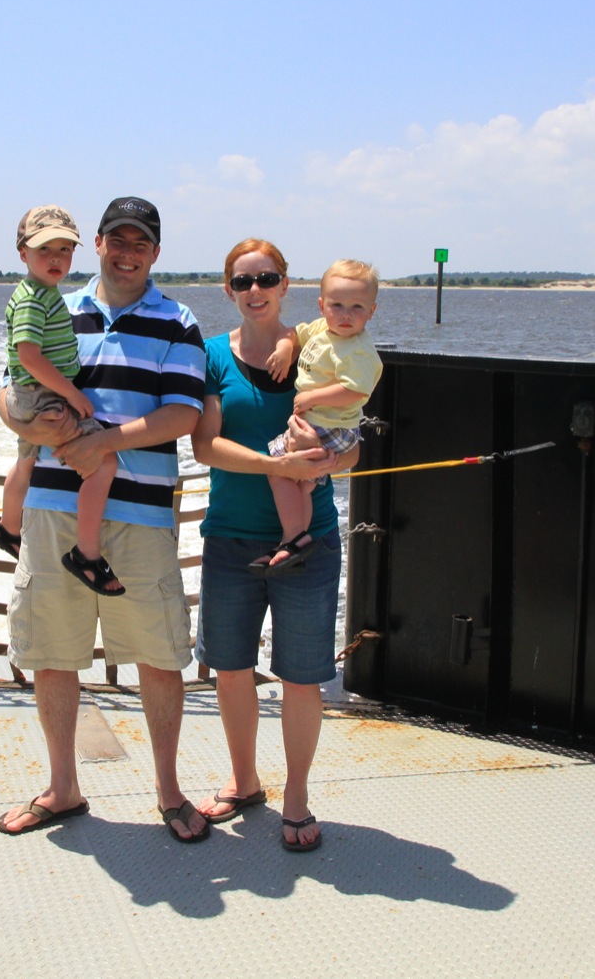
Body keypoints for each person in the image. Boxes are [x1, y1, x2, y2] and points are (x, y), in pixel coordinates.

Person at [0, 196, 212, 843]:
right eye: (117, 240)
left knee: (158, 655)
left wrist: (103, 444)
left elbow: (184, 415)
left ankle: (169, 790)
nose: (127, 252)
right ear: (96, 244)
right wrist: (25, 420)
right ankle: (63, 787)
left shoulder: (178, 321)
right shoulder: (53, 304)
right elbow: (9, 390)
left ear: (156, 252)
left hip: (141, 514)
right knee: (52, 652)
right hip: (51, 508)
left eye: (140, 242)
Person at [191, 238, 360, 853]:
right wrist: (277, 468)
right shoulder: (212, 356)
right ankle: (244, 782)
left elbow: (352, 443)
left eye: (266, 279)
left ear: (287, 285)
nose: (255, 291)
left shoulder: (322, 346)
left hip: (310, 542)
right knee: (231, 668)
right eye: (243, 282)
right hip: (231, 537)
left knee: (301, 676)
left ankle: (296, 796)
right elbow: (204, 446)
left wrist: (331, 460)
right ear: (228, 291)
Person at [0, 205, 121, 595]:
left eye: (65, 249)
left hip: (28, 395)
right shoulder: (34, 299)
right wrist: (71, 393)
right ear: (23, 253)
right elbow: (28, 357)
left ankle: (8, 528)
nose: (56, 258)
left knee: (26, 461)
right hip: (43, 396)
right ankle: (86, 554)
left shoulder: (41, 293)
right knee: (104, 462)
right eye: (44, 249)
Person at [255, 259, 381, 573]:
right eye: (337, 305)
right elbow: (293, 333)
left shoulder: (358, 350)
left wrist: (312, 397)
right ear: (322, 306)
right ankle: (295, 542)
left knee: (278, 469)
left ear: (371, 311)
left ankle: (294, 538)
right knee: (301, 483)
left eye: (357, 307)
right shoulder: (322, 329)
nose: (346, 314)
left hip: (333, 427)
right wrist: (285, 348)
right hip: (319, 423)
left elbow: (355, 391)